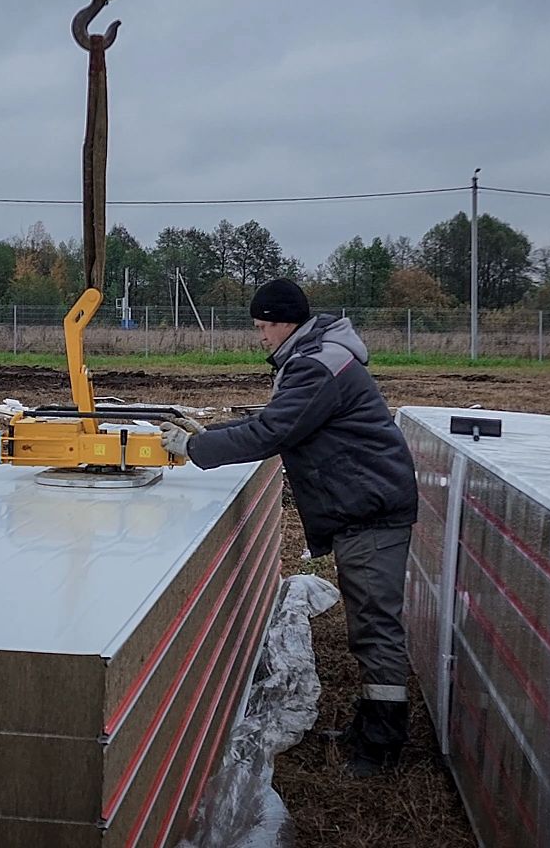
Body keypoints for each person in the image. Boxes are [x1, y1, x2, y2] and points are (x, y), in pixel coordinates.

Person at [160, 277, 418, 775]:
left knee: (374, 628)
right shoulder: (319, 355)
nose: (260, 337)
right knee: (368, 624)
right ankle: (370, 725)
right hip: (363, 504)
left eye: (262, 327)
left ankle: (382, 746)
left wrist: (195, 449)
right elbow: (278, 419)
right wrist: (212, 434)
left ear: (284, 322)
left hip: (370, 510)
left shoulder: (315, 367)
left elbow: (274, 430)